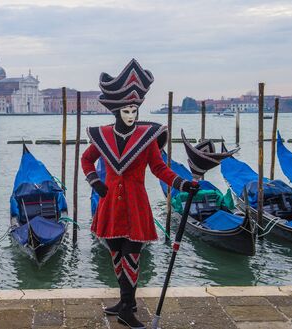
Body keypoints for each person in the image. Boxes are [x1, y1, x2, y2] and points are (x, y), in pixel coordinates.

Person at [81, 59, 199, 329]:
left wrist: (182, 183)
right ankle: (126, 303)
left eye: (135, 110)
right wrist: (95, 183)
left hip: (136, 206)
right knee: (116, 256)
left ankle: (126, 310)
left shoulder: (147, 137)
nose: (132, 115)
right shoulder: (102, 136)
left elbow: (159, 168)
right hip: (110, 204)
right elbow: (86, 160)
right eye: (127, 110)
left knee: (132, 257)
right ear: (117, 111)